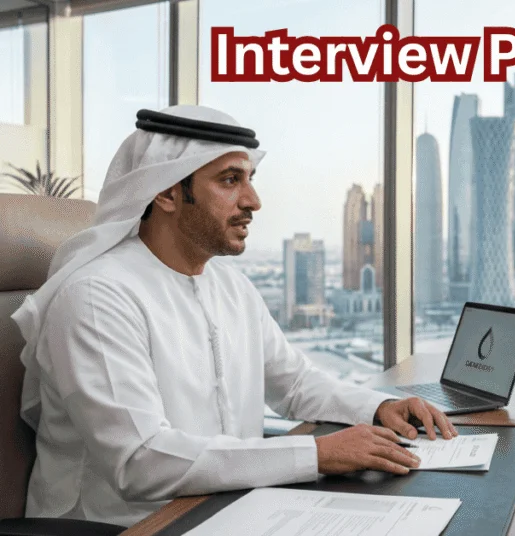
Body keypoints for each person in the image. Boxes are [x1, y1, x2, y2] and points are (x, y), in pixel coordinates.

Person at [11, 105, 457, 528]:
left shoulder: (230, 285)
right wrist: (318, 454)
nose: (253, 201)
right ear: (166, 191)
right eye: (230, 180)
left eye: (250, 180)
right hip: (123, 526)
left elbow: (294, 383)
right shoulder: (96, 296)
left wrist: (377, 407)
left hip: (230, 509)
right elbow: (140, 460)